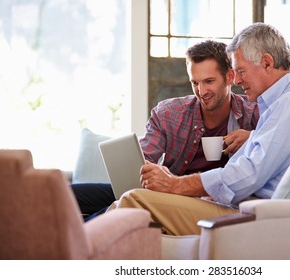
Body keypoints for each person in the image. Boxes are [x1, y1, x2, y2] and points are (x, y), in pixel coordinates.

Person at [109, 22, 290, 235]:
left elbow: (248, 174)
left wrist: (176, 185)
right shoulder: (283, 104)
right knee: (122, 198)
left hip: (253, 214)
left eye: (241, 71)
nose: (238, 80)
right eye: (195, 83)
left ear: (267, 63)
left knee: (133, 199)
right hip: (241, 206)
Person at [72, 40, 258, 218]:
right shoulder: (169, 113)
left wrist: (252, 137)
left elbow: (275, 151)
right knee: (68, 194)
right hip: (166, 193)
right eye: (195, 83)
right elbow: (146, 159)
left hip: (204, 202)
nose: (201, 92)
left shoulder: (253, 115)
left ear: (230, 77)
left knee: (125, 205)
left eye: (209, 81)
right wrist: (152, 171)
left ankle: (75, 238)